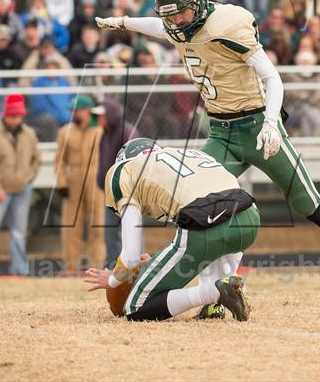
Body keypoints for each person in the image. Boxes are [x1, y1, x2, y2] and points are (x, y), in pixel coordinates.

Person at [96, 0, 320, 307]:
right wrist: (125, 21)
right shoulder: (178, 26)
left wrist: (271, 123)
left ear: (199, 4)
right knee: (203, 208)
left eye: (183, 12)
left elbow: (273, 78)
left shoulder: (227, 24)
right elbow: (161, 28)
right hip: (220, 130)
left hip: (257, 126)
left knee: (308, 202)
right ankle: (215, 293)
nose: (177, 21)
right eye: (170, 15)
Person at [85, 138, 260, 322]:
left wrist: (112, 280)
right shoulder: (184, 155)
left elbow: (130, 257)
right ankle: (214, 304)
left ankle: (214, 294)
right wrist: (158, 261)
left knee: (135, 308)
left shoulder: (123, 171)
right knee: (208, 239)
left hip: (209, 224)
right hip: (249, 219)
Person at [54, 95, 105, 272]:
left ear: (88, 111)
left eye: (77, 110)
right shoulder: (64, 132)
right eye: (73, 110)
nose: (74, 113)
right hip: (74, 179)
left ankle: (97, 267)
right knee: (71, 226)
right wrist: (61, 183)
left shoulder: (100, 131)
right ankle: (70, 267)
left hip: (95, 178)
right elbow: (59, 160)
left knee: (97, 225)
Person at [0, 94, 41, 275]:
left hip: (23, 189)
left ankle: (20, 270)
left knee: (19, 232)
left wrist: (29, 179)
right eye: (13, 116)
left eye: (19, 116)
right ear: (6, 115)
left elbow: (36, 159)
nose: (17, 120)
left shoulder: (29, 134)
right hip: (1, 189)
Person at [95, 100, 138, 268]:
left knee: (132, 234)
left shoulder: (126, 133)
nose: (98, 119)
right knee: (110, 233)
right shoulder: (105, 133)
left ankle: (135, 269)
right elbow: (103, 161)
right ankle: (114, 268)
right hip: (112, 191)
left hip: (127, 192)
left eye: (101, 115)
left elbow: (134, 164)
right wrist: (102, 181)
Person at [284, 50, 320, 137]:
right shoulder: (291, 76)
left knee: (305, 114)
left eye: (308, 62)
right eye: (303, 62)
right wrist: (307, 95)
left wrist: (301, 94)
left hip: (311, 109)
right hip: (293, 111)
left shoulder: (318, 77)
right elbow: (292, 94)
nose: (305, 65)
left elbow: (316, 97)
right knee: (306, 108)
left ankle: (308, 140)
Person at [28, 54, 74, 141]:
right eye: (49, 66)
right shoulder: (38, 83)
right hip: (46, 117)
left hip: (65, 115)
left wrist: (70, 114)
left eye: (55, 66)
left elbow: (72, 98)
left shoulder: (64, 82)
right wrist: (60, 115)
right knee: (48, 121)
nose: (52, 69)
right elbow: (40, 106)